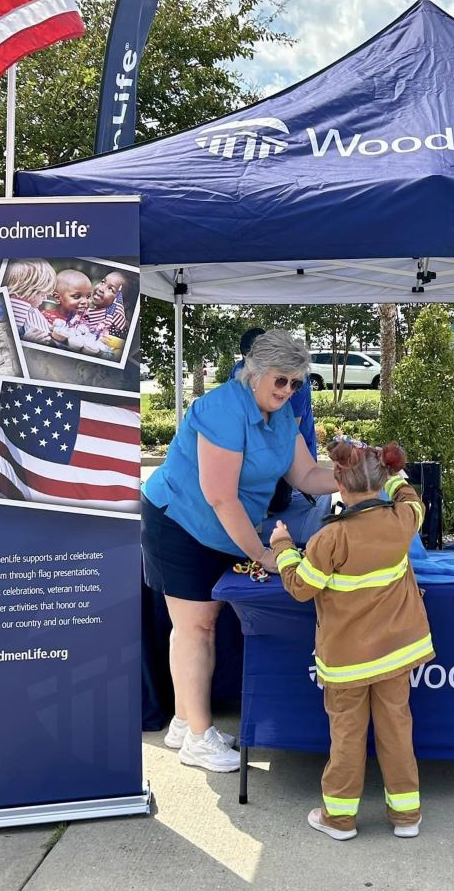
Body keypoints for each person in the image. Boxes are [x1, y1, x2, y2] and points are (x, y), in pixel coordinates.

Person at [141, 329, 337, 772]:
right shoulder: (221, 410)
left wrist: (356, 478)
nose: (288, 390)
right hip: (179, 523)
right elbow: (221, 497)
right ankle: (197, 738)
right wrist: (263, 554)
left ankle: (184, 721)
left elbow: (306, 476)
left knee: (198, 625)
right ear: (254, 374)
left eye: (296, 383)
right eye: (280, 380)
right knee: (196, 627)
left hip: (224, 529)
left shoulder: (283, 416)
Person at [270, 436, 433, 841]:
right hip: (397, 654)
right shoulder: (404, 520)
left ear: (339, 486)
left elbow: (301, 587)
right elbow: (409, 492)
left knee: (347, 736)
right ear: (381, 478)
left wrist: (284, 547)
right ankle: (406, 816)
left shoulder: (330, 538)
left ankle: (339, 819)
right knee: (397, 730)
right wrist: (393, 473)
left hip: (347, 661)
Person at [232, 327, 317, 458]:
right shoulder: (238, 370)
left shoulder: (296, 377)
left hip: (293, 450)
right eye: (247, 361)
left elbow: (292, 426)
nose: (289, 389)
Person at [3, 259, 56, 343]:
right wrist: (26, 340)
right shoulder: (12, 315)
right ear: (26, 290)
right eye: (42, 294)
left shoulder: (31, 309)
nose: (45, 298)